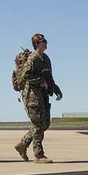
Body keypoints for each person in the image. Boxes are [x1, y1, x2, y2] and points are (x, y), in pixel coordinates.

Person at [15, 33, 62, 163]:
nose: (46, 43)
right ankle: (38, 155)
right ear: (37, 44)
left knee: (45, 123)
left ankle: (22, 145)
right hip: (32, 96)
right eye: (43, 41)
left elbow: (50, 77)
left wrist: (56, 89)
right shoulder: (33, 58)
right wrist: (40, 81)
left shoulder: (46, 58)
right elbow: (26, 75)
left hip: (43, 96)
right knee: (39, 124)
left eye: (46, 41)